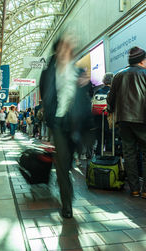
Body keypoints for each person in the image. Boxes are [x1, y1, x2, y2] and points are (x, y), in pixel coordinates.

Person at [40, 34, 92, 218]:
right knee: (62, 163)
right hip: (59, 122)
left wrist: (86, 85)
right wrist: (50, 118)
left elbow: (88, 95)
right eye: (63, 47)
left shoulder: (79, 71)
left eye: (69, 48)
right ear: (58, 50)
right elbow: (44, 95)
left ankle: (65, 188)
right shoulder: (48, 72)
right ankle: (66, 203)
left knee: (69, 162)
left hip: (76, 124)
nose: (66, 51)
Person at [107, 46, 146, 199]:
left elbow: (110, 99)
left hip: (123, 120)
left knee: (129, 153)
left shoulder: (118, 76)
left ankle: (134, 189)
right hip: (144, 119)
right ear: (141, 61)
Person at [93, 72, 114, 156]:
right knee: (109, 142)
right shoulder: (113, 92)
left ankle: (97, 162)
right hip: (109, 121)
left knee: (99, 143)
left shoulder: (98, 91)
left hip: (98, 121)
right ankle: (109, 163)